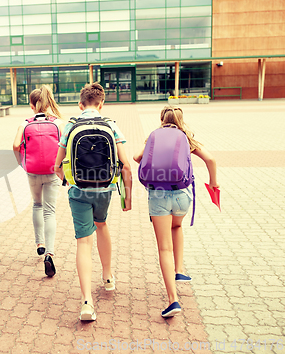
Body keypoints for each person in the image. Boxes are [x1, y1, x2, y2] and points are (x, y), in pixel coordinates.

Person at [54, 83, 132, 321]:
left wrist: (68, 180)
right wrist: (127, 196)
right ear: (101, 103)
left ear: (80, 104)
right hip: (105, 188)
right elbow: (126, 164)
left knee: (83, 242)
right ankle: (108, 277)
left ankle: (87, 302)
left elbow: (57, 165)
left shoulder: (70, 125)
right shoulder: (110, 124)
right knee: (102, 224)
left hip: (78, 189)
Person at [133, 106, 219, 318]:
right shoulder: (186, 138)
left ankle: (173, 301)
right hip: (182, 195)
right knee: (177, 226)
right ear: (181, 120)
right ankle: (179, 269)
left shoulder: (154, 136)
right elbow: (211, 159)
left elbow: (136, 157)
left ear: (162, 119)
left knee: (164, 248)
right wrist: (213, 183)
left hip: (158, 196)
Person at [13, 85, 64, 277]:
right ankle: (49, 253)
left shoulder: (24, 124)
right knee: (50, 211)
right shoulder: (58, 123)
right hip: (52, 172)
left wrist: (22, 164)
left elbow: (16, 145)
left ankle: (39, 244)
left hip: (32, 171)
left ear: (32, 105)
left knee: (37, 205)